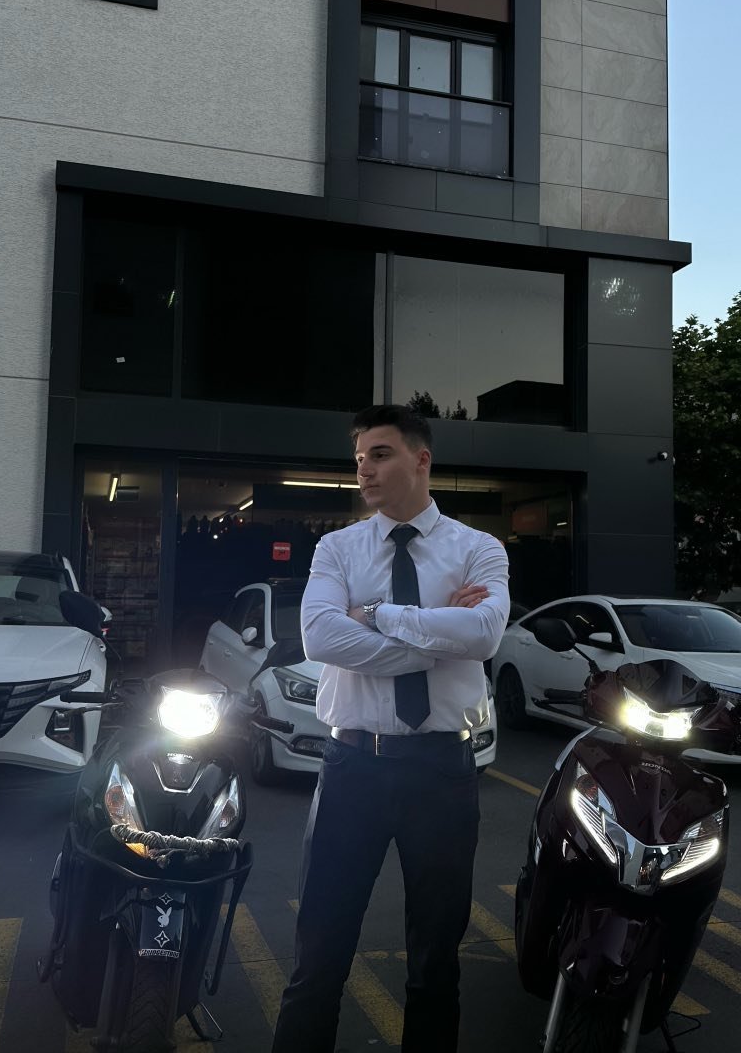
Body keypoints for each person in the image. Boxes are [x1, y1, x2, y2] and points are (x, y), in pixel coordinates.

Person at [271, 404, 511, 1053]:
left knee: (436, 962)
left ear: (420, 459)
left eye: (379, 454)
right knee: (318, 956)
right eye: (358, 460)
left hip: (442, 773)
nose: (364, 471)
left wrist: (375, 615)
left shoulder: (479, 549)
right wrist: (437, 635)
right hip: (354, 768)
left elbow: (486, 631)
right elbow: (320, 634)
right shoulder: (337, 548)